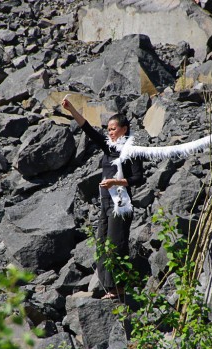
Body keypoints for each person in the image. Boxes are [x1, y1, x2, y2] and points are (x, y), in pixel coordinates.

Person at [62, 96, 144, 300]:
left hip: (121, 204)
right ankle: (108, 287)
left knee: (116, 244)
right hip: (106, 203)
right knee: (102, 244)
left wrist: (115, 183)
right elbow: (88, 130)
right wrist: (71, 109)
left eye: (113, 129)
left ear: (124, 129)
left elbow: (138, 178)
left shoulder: (131, 151)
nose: (110, 132)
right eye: (108, 129)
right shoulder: (109, 148)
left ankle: (118, 288)